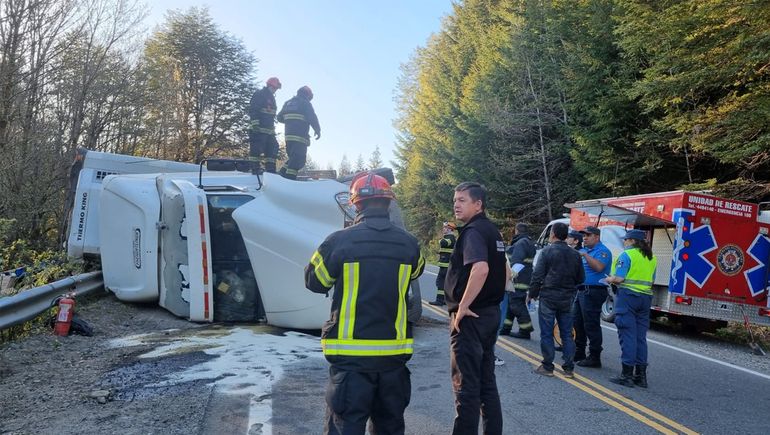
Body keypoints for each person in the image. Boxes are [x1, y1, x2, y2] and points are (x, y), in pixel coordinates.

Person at [305, 172, 424, 434]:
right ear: (388, 203)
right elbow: (416, 273)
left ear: (356, 204)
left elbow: (315, 282)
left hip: (351, 360)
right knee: (390, 427)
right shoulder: (410, 244)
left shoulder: (339, 241)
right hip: (393, 358)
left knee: (346, 426)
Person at [444, 182, 505, 434]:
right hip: (490, 314)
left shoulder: (473, 232)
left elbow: (481, 268)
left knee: (466, 386)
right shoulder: (493, 231)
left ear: (478, 204)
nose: (456, 204)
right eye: (455, 200)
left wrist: (463, 306)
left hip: (471, 316)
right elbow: (506, 270)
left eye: (462, 200)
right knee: (486, 383)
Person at [527, 222, 584, 378]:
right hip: (567, 297)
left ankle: (547, 366)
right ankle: (568, 368)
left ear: (552, 234)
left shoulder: (546, 252)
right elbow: (581, 278)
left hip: (548, 296)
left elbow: (537, 276)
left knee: (546, 332)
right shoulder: (575, 254)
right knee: (566, 333)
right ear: (566, 235)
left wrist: (532, 294)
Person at [605, 229, 657, 388]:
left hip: (628, 298)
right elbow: (651, 280)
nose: (624, 242)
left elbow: (619, 278)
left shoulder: (627, 255)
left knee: (628, 335)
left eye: (626, 240)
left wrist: (609, 279)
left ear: (632, 241)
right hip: (645, 299)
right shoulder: (652, 257)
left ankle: (626, 375)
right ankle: (640, 377)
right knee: (640, 338)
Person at [574, 226, 612, 368]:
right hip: (581, 290)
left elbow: (598, 268)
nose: (584, 238)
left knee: (591, 324)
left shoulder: (602, 251)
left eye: (588, 235)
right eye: (583, 235)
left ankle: (595, 356)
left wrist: (585, 256)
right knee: (577, 321)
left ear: (596, 237)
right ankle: (579, 351)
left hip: (594, 291)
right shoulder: (585, 250)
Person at [500, 223, 536, 339]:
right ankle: (506, 328)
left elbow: (517, 262)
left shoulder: (521, 243)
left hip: (519, 279)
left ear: (516, 231)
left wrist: (510, 277)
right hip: (525, 277)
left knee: (517, 304)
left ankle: (525, 330)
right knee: (512, 303)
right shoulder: (528, 242)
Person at [278, 86, 321, 180]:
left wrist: (290, 121)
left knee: (293, 158)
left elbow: (279, 117)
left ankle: (281, 174)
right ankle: (290, 179)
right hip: (300, 136)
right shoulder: (305, 103)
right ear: (307, 95)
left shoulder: (288, 103)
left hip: (288, 137)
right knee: (298, 160)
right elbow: (312, 117)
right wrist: (317, 130)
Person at [248, 77, 281, 174]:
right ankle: (255, 169)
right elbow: (253, 109)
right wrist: (255, 124)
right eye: (275, 88)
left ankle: (270, 171)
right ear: (271, 86)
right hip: (258, 129)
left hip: (269, 131)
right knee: (256, 150)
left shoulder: (271, 97)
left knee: (273, 148)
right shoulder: (260, 94)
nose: (275, 90)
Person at [430, 221, 457, 306]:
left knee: (440, 282)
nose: (443, 229)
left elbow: (444, 243)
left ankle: (439, 300)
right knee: (445, 283)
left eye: (445, 228)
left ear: (450, 229)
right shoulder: (449, 237)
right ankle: (445, 300)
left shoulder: (450, 238)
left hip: (446, 266)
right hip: (445, 265)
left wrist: (440, 240)